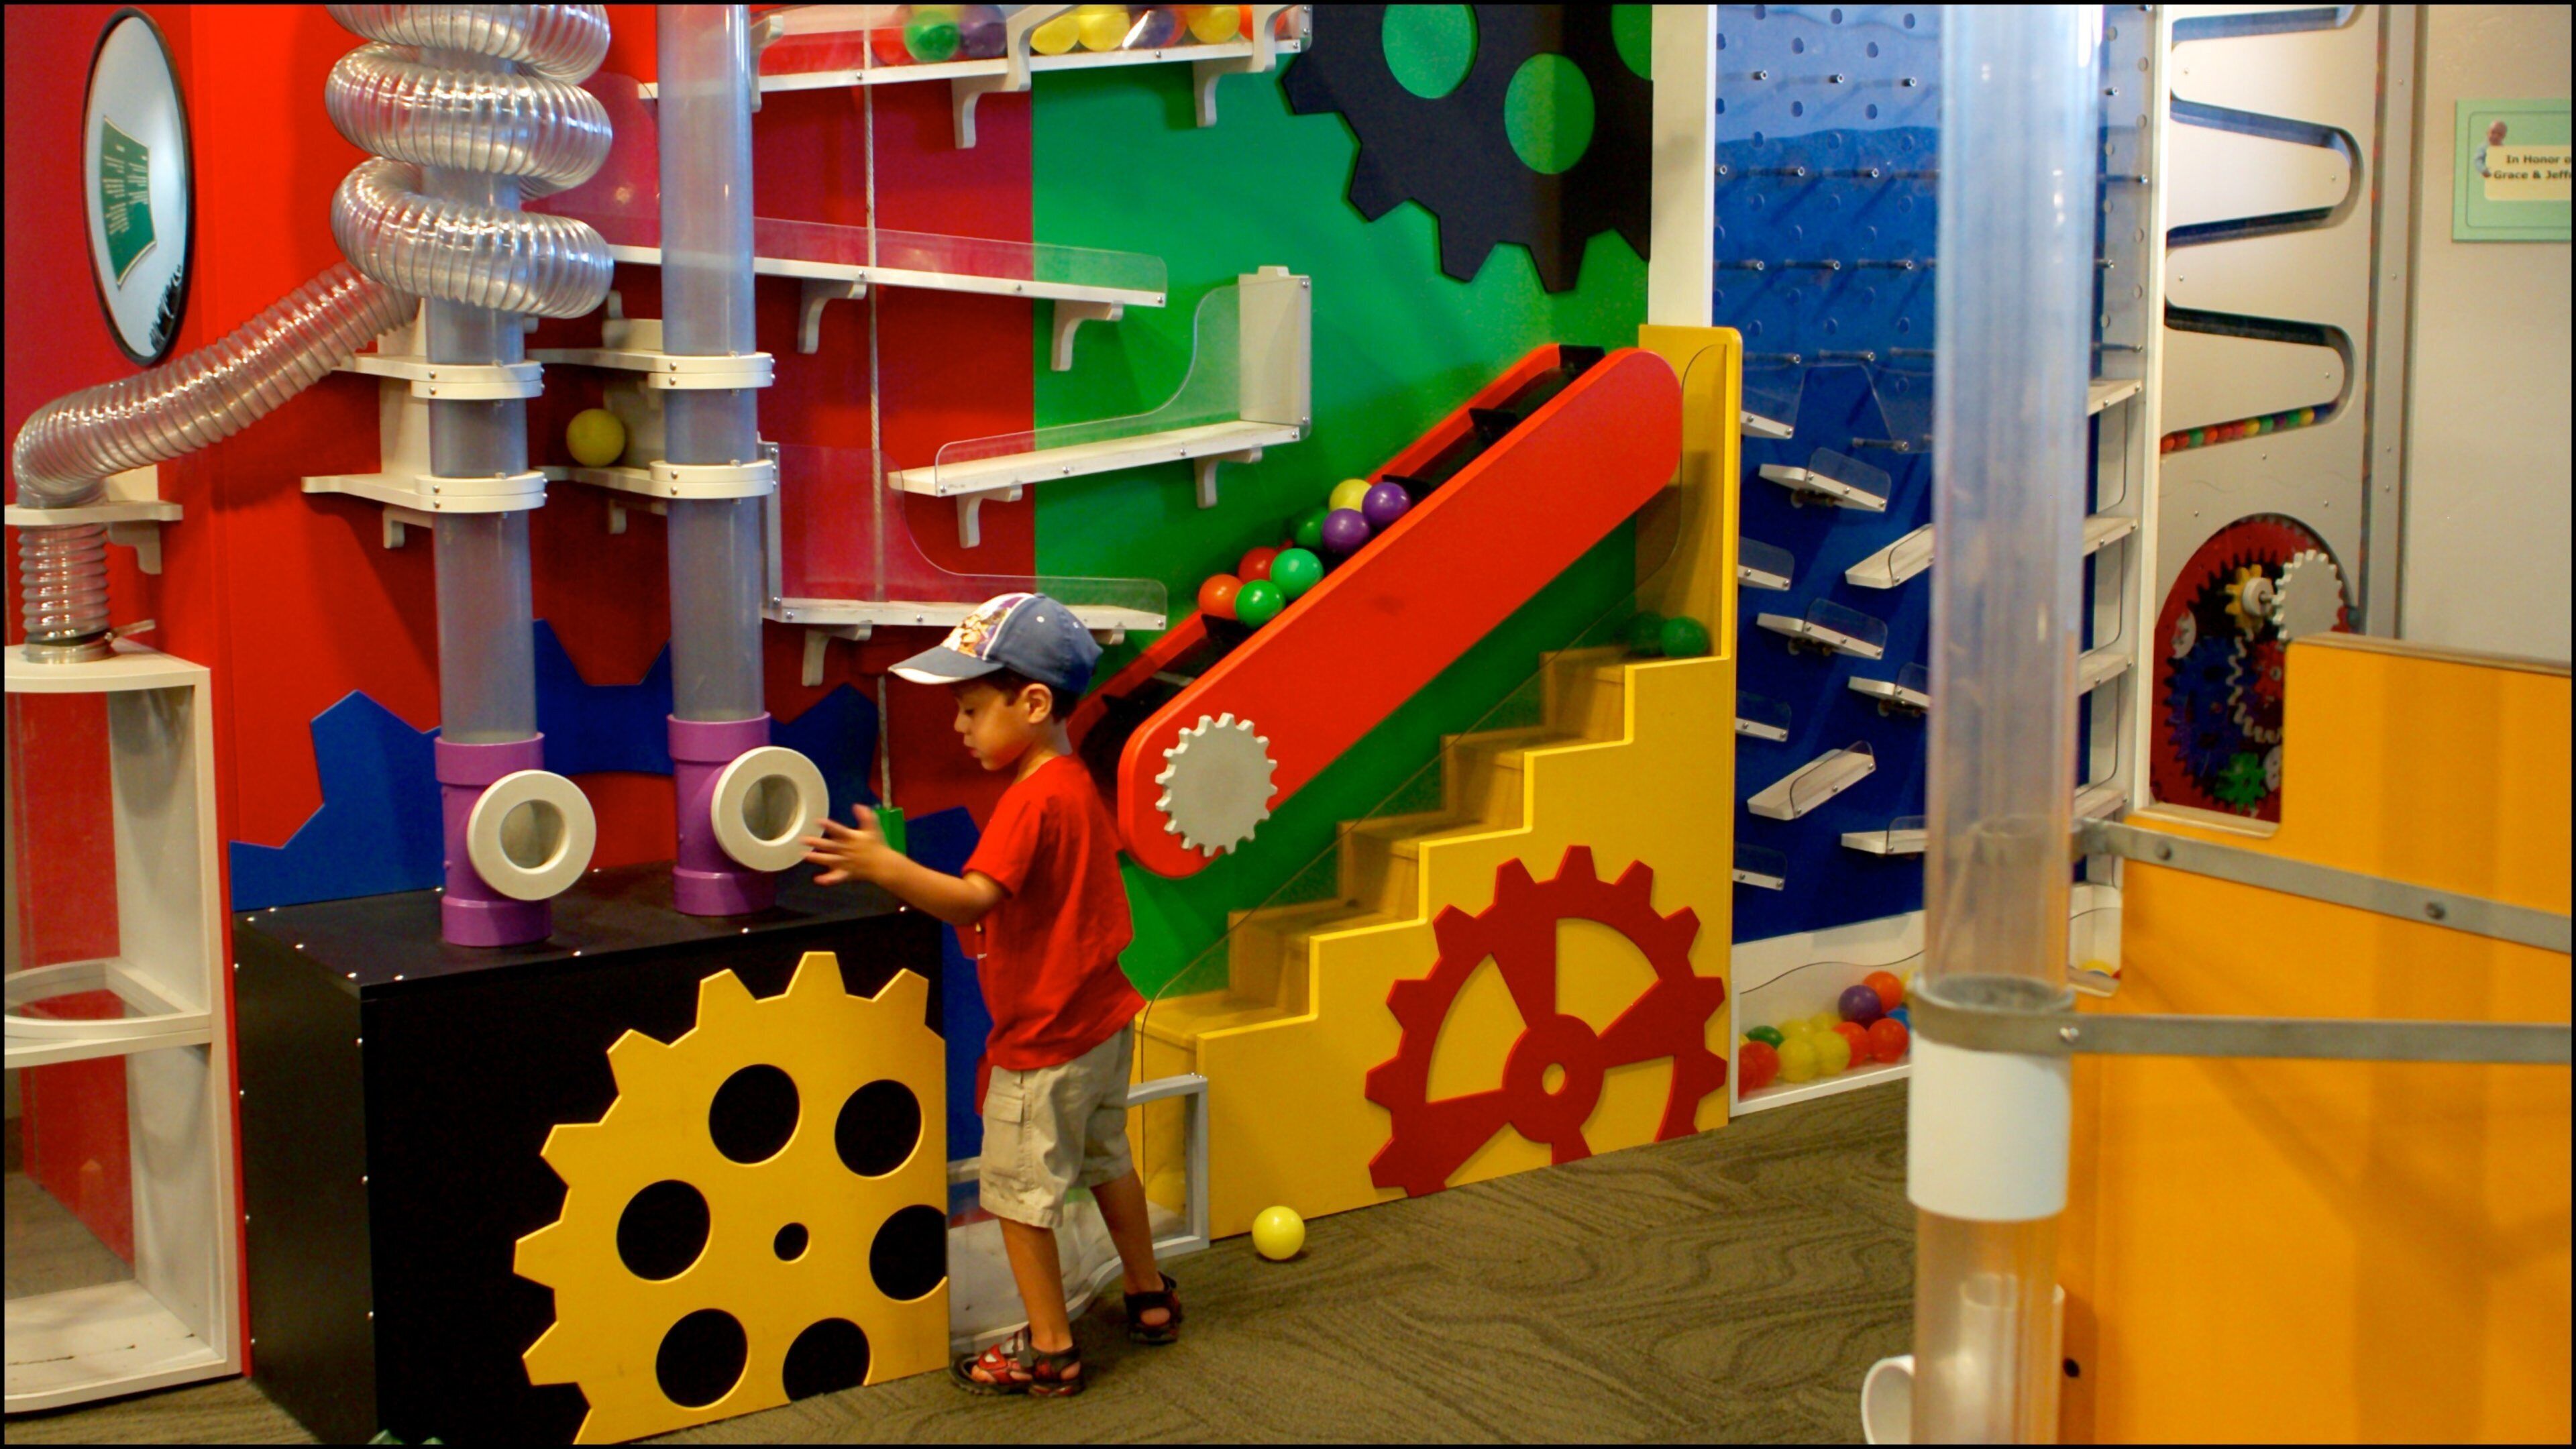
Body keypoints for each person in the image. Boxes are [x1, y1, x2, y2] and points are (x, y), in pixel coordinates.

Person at [801, 592, 1177, 1398]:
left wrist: (884, 866)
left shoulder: (1028, 800)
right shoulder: (1074, 783)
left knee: (1016, 1196)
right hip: (1102, 1021)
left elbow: (974, 899)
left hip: (1045, 1041)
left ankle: (1051, 1349)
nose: (960, 726)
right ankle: (1149, 1295)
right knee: (1108, 1158)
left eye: (972, 709)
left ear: (1033, 704)